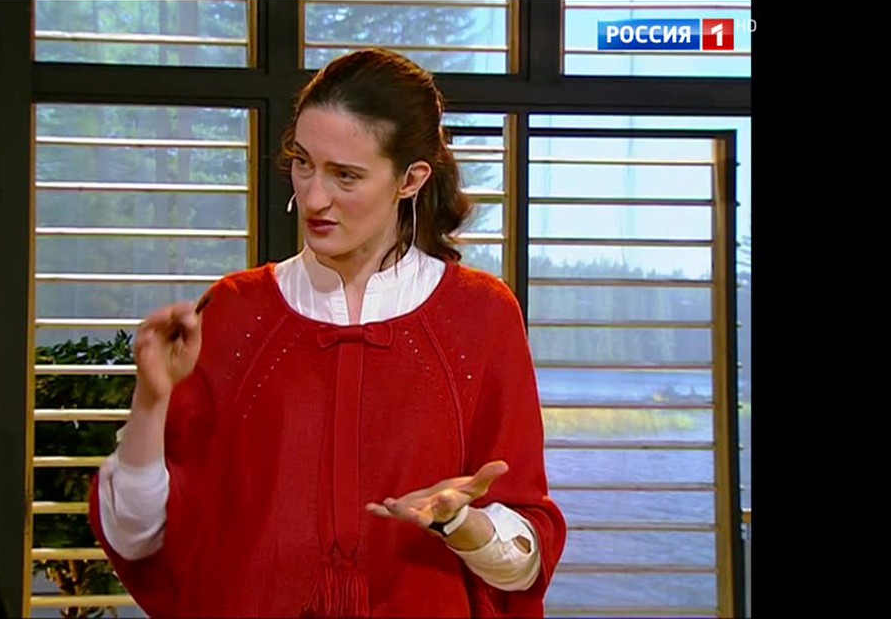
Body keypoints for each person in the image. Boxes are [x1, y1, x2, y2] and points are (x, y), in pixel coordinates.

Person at [87, 47, 567, 618]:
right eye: (303, 163)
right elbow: (139, 537)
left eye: (346, 175)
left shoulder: (480, 316)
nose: (314, 198)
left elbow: (526, 564)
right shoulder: (236, 313)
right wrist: (151, 400)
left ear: (410, 179)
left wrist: (459, 523)